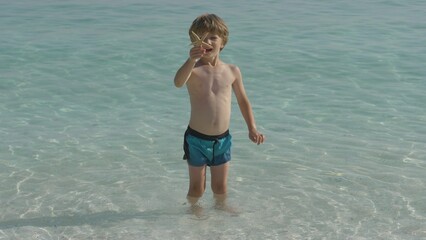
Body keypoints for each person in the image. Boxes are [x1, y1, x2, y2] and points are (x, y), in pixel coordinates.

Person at [174, 13, 265, 213]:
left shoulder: (232, 71)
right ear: (193, 42)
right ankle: (193, 210)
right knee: (197, 188)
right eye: (201, 37)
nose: (207, 41)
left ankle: (221, 207)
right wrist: (190, 60)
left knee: (220, 187)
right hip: (196, 139)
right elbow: (178, 82)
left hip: (222, 139)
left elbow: (242, 100)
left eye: (212, 37)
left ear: (222, 42)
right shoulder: (193, 69)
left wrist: (252, 127)